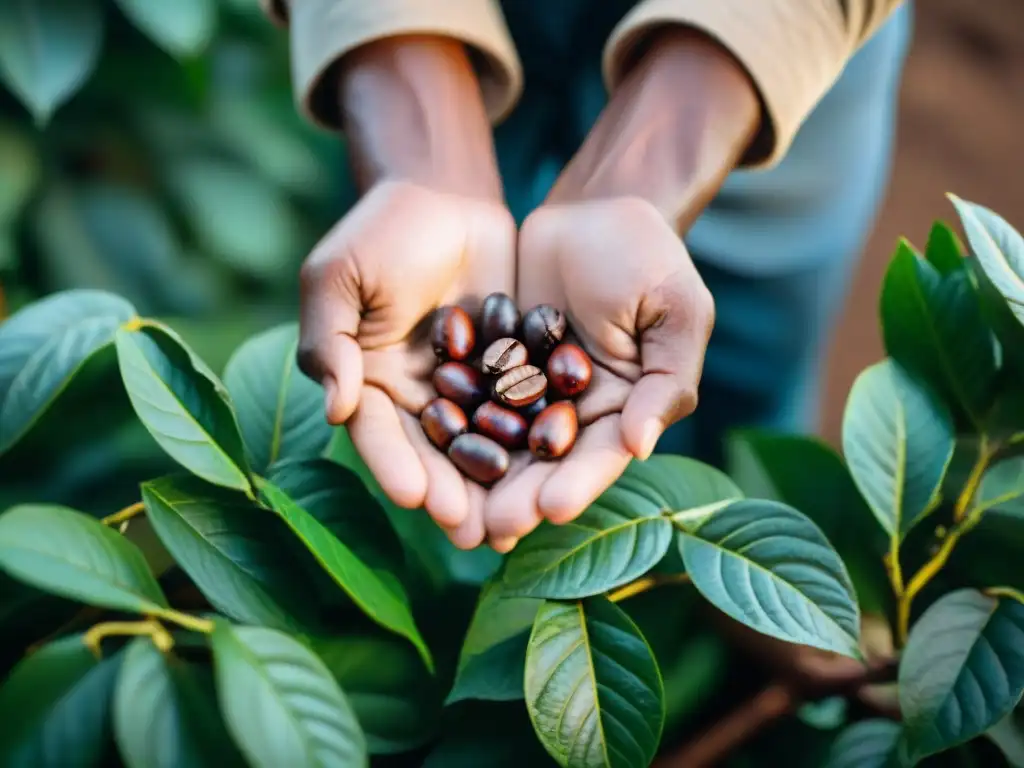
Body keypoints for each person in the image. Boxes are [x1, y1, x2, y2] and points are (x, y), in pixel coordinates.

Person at [261, 0, 913, 552]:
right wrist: (416, 152)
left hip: (774, 60)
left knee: (746, 422)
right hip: (419, 42)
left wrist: (641, 178)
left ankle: (747, 632)